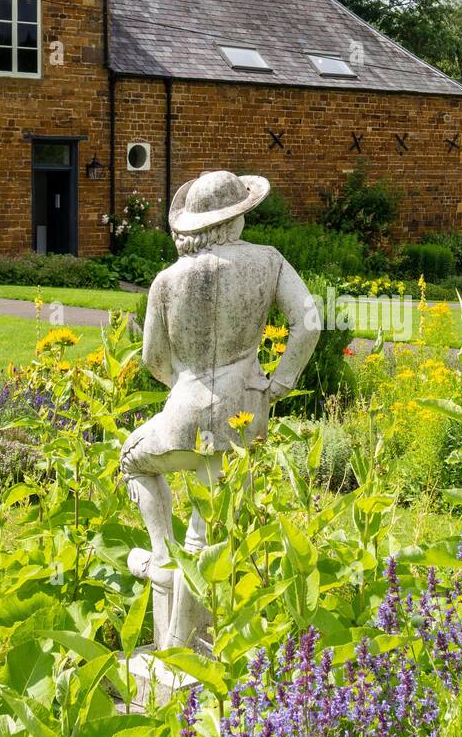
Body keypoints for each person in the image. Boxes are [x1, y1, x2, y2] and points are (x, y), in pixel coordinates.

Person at [119, 170, 320, 650]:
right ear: (236, 218)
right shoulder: (267, 262)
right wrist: (279, 382)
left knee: (132, 459)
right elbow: (308, 323)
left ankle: (162, 559)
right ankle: (199, 638)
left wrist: (185, 387)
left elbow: (153, 358)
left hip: (185, 410)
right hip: (247, 410)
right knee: (212, 521)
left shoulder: (167, 280)